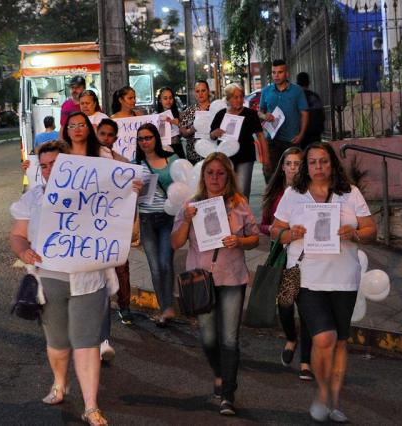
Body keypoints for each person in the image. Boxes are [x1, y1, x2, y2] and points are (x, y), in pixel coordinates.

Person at [270, 142, 377, 423]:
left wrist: (355, 234)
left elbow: (370, 230)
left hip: (344, 278)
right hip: (307, 277)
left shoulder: (350, 194)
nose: (319, 167)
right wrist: (289, 234)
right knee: (323, 337)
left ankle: (333, 400)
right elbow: (275, 229)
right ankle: (321, 390)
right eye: (313, 162)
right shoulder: (294, 194)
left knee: (340, 342)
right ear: (307, 166)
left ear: (332, 165)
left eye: (324, 162)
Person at [9, 140, 112, 425]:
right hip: (50, 277)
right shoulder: (33, 198)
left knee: (87, 342)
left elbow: (118, 214)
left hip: (88, 278)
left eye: (55, 164)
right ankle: (59, 383)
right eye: (43, 166)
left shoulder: (94, 193)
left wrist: (131, 194)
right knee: (57, 342)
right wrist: (22, 250)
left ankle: (91, 405)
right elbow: (17, 235)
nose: (48, 170)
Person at [171, 152, 259, 416]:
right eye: (210, 173)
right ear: (203, 176)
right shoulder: (191, 205)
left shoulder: (239, 204)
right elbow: (175, 243)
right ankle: (220, 372)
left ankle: (228, 395)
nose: (215, 178)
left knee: (230, 338)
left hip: (232, 277)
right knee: (208, 337)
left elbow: (254, 238)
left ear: (228, 176)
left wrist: (239, 241)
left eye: (221, 173)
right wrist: (186, 220)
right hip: (201, 279)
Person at [64, 112, 140, 327]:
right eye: (72, 125)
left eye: (81, 124)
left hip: (102, 224)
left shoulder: (102, 155)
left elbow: (117, 183)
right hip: (73, 228)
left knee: (107, 273)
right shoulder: (60, 154)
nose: (77, 129)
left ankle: (104, 334)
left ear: (88, 128)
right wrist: (32, 169)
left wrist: (133, 187)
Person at [260, 146, 314, 381]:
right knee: (284, 304)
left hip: (307, 256)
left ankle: (305, 361)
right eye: (289, 163)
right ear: (282, 167)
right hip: (282, 256)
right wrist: (275, 230)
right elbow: (263, 225)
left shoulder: (312, 192)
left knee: (307, 308)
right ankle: (291, 337)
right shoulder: (275, 194)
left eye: (298, 164)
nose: (293, 168)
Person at [133, 123, 179, 327]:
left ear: (156, 138)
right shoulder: (135, 164)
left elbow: (184, 186)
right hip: (146, 219)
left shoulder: (172, 159)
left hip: (168, 218)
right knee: (155, 267)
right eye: (141, 138)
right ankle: (164, 308)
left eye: (148, 137)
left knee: (166, 263)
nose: (144, 142)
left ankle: (168, 307)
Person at [210, 83, 269, 200]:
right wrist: (214, 133)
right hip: (225, 160)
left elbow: (260, 136)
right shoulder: (221, 114)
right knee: (224, 192)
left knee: (242, 191)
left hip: (245, 158)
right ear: (228, 99)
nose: (239, 100)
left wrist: (266, 157)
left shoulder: (251, 114)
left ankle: (243, 216)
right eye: (235, 97)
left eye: (241, 96)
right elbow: (212, 135)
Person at [259, 60, 309, 182]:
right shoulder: (266, 91)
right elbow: (260, 112)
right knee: (270, 174)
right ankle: (273, 200)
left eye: (280, 72)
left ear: (286, 73)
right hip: (272, 140)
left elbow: (304, 113)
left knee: (294, 175)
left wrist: (301, 134)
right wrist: (264, 116)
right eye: (273, 72)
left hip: (291, 140)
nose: (276, 75)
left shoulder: (297, 91)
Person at [179, 80, 212, 164]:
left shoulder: (215, 109)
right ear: (195, 93)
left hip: (212, 153)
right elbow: (183, 133)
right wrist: (192, 129)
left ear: (208, 91)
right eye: (197, 91)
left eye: (203, 90)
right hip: (194, 155)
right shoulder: (189, 110)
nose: (200, 94)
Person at [296, 72, 325, 147]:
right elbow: (322, 116)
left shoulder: (296, 98)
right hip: (315, 135)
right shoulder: (315, 96)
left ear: (297, 83)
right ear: (308, 83)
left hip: (300, 135)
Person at [156, 86, 185, 159]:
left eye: (170, 98)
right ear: (160, 100)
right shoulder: (155, 116)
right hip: (163, 148)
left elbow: (184, 134)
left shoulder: (179, 114)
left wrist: (176, 123)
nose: (168, 101)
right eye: (165, 98)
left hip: (177, 148)